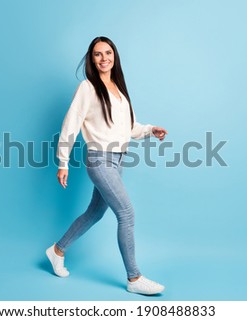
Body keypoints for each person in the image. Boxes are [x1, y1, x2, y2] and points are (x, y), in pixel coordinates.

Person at [46, 36, 168, 295]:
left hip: (118, 160)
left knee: (95, 212)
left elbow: (128, 127)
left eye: (108, 53)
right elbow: (71, 125)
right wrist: (63, 162)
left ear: (115, 56)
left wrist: (149, 130)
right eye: (98, 54)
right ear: (91, 59)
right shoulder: (87, 88)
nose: (104, 58)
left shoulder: (119, 89)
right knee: (127, 213)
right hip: (99, 159)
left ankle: (57, 250)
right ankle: (134, 278)